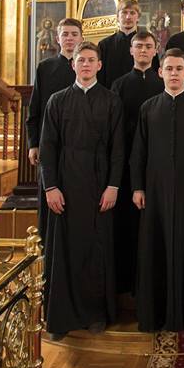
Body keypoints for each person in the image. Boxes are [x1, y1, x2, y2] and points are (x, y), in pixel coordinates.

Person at [38, 41, 125, 340]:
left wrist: (113, 186)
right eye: (81, 60)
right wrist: (51, 187)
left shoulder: (112, 101)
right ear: (73, 65)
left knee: (97, 251)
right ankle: (62, 317)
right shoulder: (56, 101)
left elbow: (118, 150)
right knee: (65, 252)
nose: (86, 65)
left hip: (100, 184)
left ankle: (95, 314)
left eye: (91, 60)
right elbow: (48, 148)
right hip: (65, 184)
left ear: (100, 65)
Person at [131, 48, 184, 332]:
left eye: (180, 69)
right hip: (154, 191)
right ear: (161, 72)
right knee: (156, 247)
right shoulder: (148, 108)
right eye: (170, 69)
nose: (175, 74)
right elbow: (138, 153)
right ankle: (157, 313)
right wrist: (137, 187)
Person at [110, 30, 164, 295]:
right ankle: (128, 284)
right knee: (128, 225)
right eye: (139, 46)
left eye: (148, 46)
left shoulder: (163, 82)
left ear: (156, 51)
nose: (143, 50)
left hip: (159, 165)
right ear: (131, 50)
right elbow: (115, 129)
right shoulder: (119, 85)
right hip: (128, 164)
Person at [28, 18, 81, 245]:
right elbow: (35, 108)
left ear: (81, 38)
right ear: (58, 38)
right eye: (65, 34)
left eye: (74, 34)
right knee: (48, 198)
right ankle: (46, 250)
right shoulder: (45, 67)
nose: (69, 38)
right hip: (50, 145)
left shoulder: (86, 65)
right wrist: (33, 143)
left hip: (79, 146)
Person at [98, 0, 159, 89]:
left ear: (138, 17)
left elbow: (154, 72)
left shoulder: (148, 43)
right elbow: (99, 75)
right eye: (124, 12)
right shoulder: (105, 45)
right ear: (117, 17)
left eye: (132, 13)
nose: (128, 17)